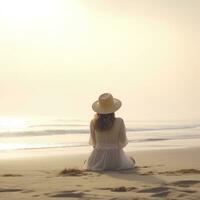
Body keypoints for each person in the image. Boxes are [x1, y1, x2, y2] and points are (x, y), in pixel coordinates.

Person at [87, 93, 135, 171]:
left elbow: (94, 143)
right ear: (113, 108)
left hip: (97, 156)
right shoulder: (119, 121)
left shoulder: (93, 122)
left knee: (89, 163)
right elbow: (122, 142)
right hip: (115, 159)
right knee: (132, 161)